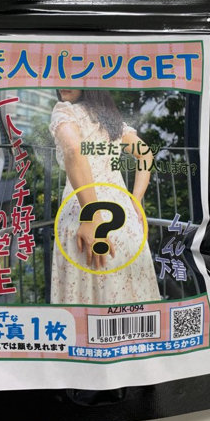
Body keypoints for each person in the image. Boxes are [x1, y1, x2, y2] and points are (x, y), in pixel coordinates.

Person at [49, 89, 161, 304]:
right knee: (131, 299)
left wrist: (91, 216)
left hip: (84, 214)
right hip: (124, 217)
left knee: (87, 303)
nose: (64, 84)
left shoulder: (66, 112)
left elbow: (73, 148)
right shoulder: (111, 120)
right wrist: (135, 200)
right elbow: (145, 153)